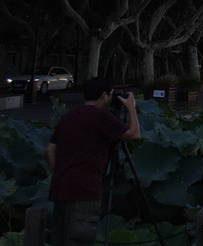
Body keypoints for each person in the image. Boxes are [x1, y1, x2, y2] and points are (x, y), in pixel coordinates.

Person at [46, 77, 141, 246]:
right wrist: (131, 108)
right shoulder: (101, 117)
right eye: (111, 94)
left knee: (60, 240)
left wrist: (59, 172)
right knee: (79, 240)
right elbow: (134, 134)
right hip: (85, 190)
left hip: (60, 188)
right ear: (104, 95)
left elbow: (50, 149)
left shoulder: (69, 116)